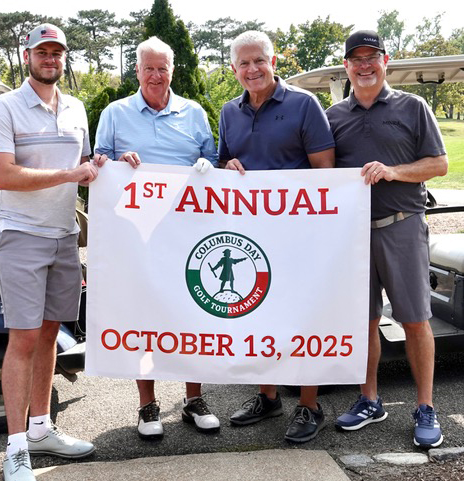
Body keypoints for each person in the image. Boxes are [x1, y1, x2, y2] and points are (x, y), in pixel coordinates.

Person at [0, 24, 100, 481]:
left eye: (57, 52)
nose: (50, 59)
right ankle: (15, 450)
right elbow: (3, 176)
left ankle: (40, 429)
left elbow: (85, 165)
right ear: (27, 56)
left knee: (51, 333)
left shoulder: (76, 108)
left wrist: (104, 169)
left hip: (63, 235)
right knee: (25, 338)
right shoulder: (6, 106)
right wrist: (69, 174)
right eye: (42, 52)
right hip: (20, 234)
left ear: (64, 58)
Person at [326, 30, 448, 448]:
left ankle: (425, 406)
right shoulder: (333, 116)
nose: (365, 66)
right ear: (347, 66)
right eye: (356, 59)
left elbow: (439, 164)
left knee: (415, 318)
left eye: (371, 57)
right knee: (364, 320)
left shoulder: (413, 107)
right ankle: (369, 399)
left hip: (402, 225)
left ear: (385, 61)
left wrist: (394, 171)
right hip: (354, 234)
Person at [94, 36, 220, 440]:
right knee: (143, 316)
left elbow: (211, 161)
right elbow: (98, 164)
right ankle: (147, 405)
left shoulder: (194, 112)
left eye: (162, 68)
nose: (155, 75)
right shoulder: (115, 113)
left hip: (186, 234)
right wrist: (116, 162)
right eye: (148, 68)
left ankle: (194, 399)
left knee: (191, 314)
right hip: (136, 236)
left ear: (172, 70)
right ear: (136, 70)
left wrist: (208, 166)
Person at [219, 30, 335, 443]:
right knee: (259, 316)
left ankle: (310, 405)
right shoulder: (228, 112)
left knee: (303, 317)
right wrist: (227, 168)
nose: (252, 69)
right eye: (244, 63)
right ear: (233, 69)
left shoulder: (304, 104)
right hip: (252, 236)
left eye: (259, 61)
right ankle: (267, 398)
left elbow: (326, 172)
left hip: (299, 235)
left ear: (273, 62)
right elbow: (223, 165)